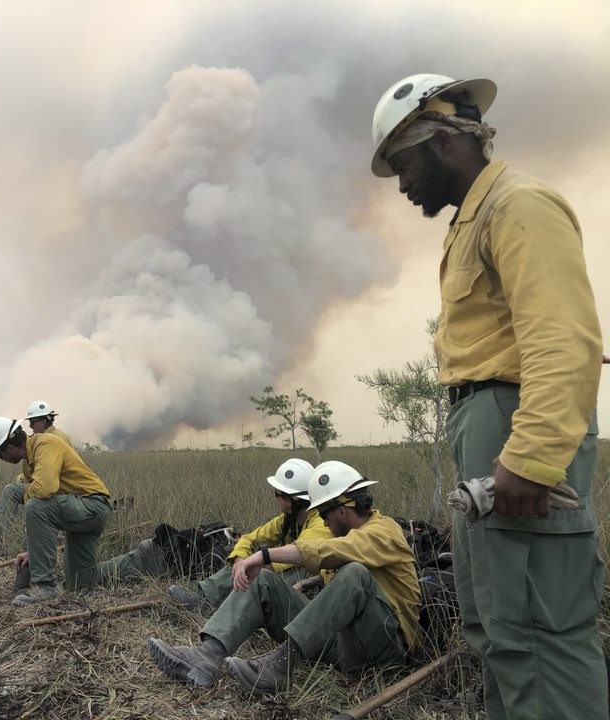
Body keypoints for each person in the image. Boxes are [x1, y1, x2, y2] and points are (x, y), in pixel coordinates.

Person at [371, 73, 606, 720]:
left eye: (402, 163)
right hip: (485, 425)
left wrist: (531, 456)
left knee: (539, 634)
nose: (401, 184)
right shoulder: (473, 221)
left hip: (513, 427)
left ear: (444, 141)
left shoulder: (517, 206)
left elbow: (564, 340)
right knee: (500, 632)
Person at [147, 461, 420, 696]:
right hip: (343, 644)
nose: (323, 522)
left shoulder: (385, 531)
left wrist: (264, 555)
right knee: (264, 581)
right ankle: (207, 656)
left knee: (354, 573)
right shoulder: (337, 532)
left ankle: (280, 666)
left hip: (385, 651)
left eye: (324, 513)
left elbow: (334, 551)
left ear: (342, 508)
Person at [165, 458, 329, 613]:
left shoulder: (320, 524)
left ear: (289, 500)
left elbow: (297, 554)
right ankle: (204, 598)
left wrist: (256, 562)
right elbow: (249, 538)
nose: (276, 499)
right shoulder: (288, 519)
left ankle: (214, 604)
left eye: (277, 494)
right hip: (291, 579)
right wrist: (239, 560)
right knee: (247, 564)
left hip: (308, 586)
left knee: (259, 570)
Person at [0, 416, 111, 606]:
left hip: (93, 506)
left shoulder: (45, 443)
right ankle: (146, 556)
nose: (1, 459)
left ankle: (47, 586)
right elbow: (50, 504)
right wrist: (35, 551)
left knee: (35, 505)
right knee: (81, 582)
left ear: (9, 448)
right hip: (80, 512)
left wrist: (35, 551)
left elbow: (45, 489)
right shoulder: (30, 461)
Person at [0, 400, 75, 555]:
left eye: (33, 423)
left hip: (62, 490)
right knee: (20, 490)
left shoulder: (51, 440)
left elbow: (48, 483)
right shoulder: (35, 444)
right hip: (54, 487)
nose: (30, 427)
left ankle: (2, 543)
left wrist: (30, 492)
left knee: (16, 492)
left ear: (44, 420)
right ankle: (4, 541)